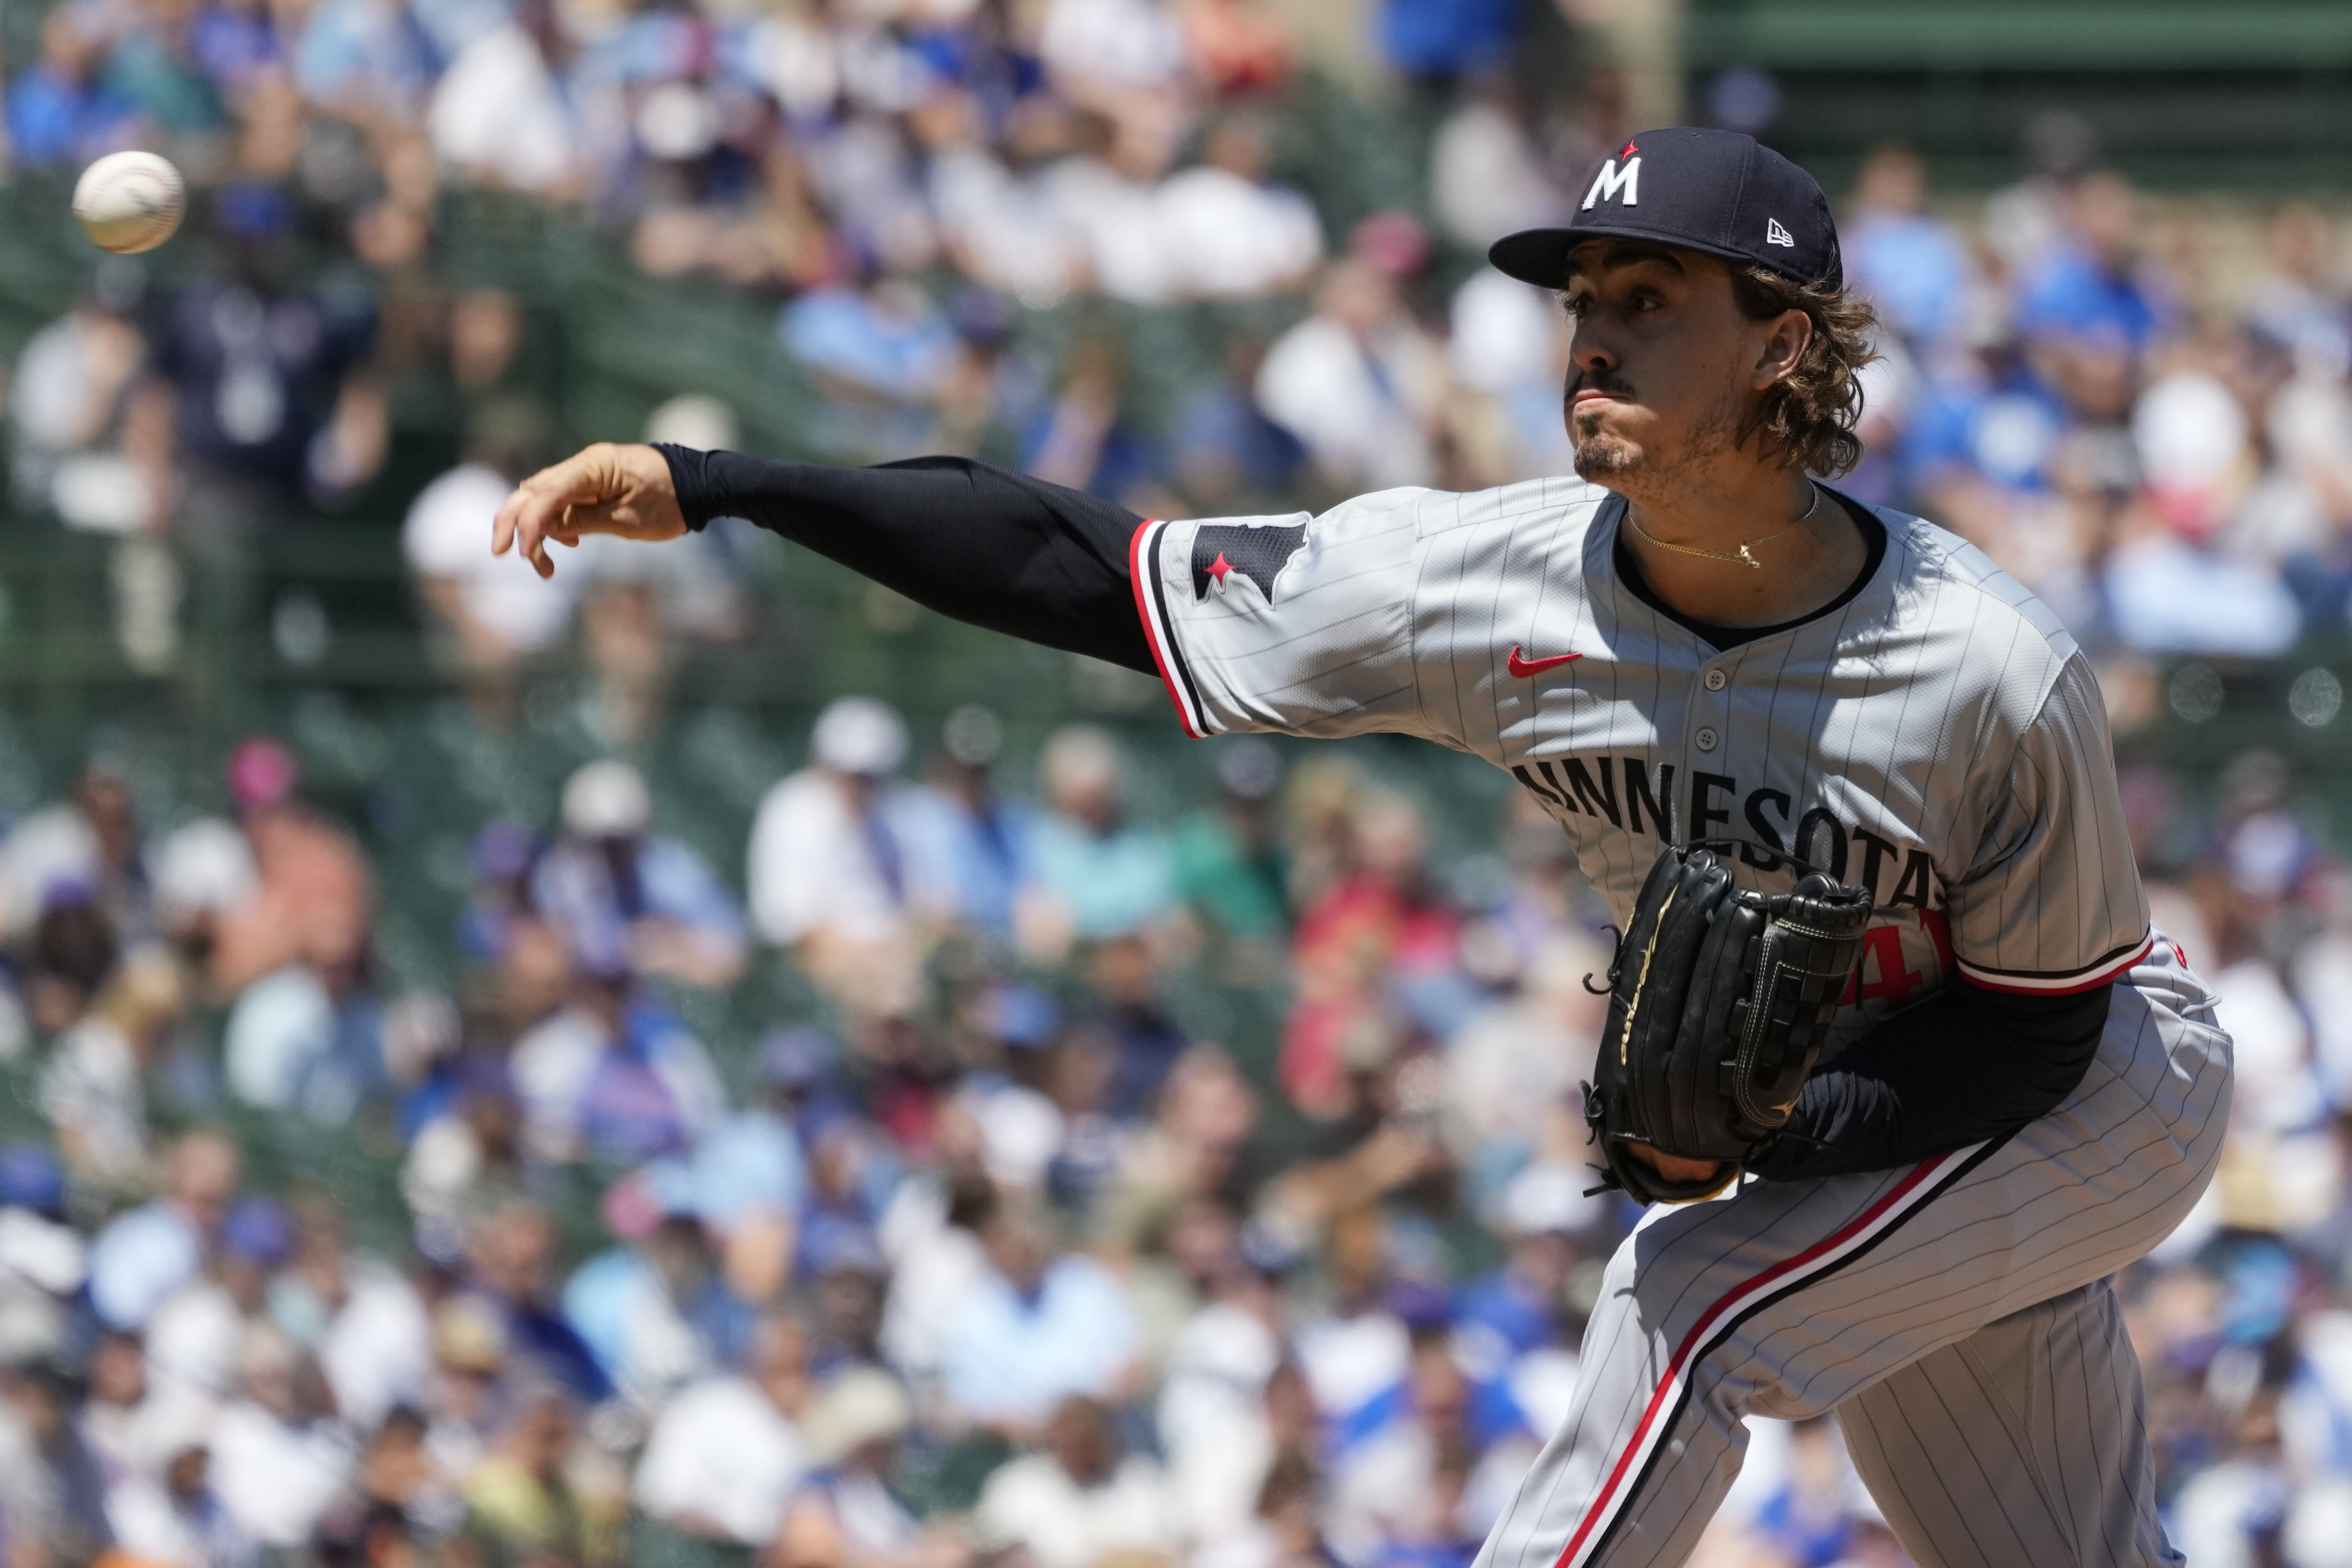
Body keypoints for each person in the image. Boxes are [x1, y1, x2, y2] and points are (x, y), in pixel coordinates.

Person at [493, 125, 2231, 1567]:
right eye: (1580, 301)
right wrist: (720, 482)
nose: (1591, 336)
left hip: (2090, 1088)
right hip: (1883, 1120)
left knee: (1690, 1309)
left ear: (1784, 340)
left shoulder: (1985, 665)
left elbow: (2031, 1024)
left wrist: (1788, 1124)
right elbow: (1086, 565)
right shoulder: (1470, 583)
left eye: (1648, 297)